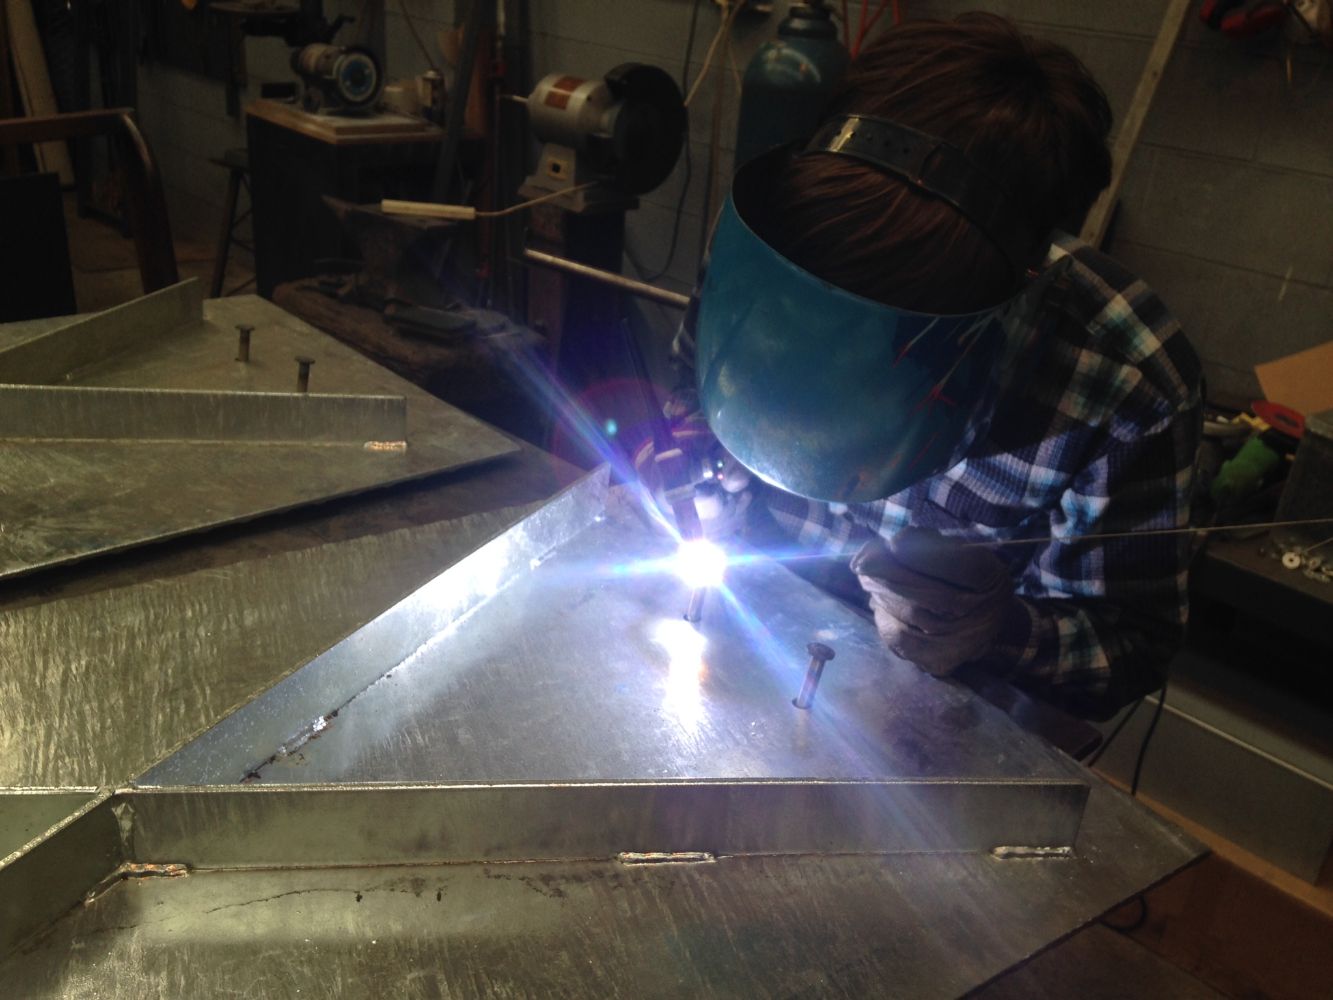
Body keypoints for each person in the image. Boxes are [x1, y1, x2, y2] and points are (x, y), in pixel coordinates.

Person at [637, 12, 1202, 721]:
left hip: (933, 722)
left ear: (1011, 305)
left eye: (880, 356)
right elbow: (691, 393)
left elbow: (1126, 649)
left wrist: (993, 630)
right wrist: (692, 460)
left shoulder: (1125, 381)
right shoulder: (764, 244)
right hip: (744, 640)